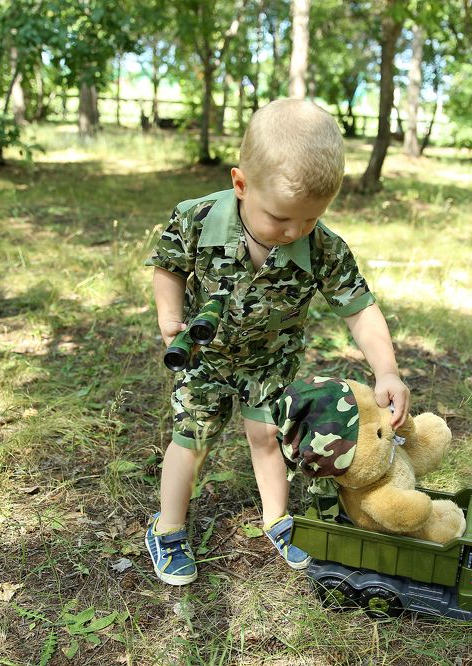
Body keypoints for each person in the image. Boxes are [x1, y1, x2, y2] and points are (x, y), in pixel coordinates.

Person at [143, 98, 410, 586]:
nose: (294, 232)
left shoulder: (323, 246)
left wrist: (387, 370)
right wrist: (169, 314)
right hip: (205, 359)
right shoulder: (197, 217)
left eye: (309, 220)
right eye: (281, 218)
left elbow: (359, 309)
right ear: (241, 184)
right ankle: (169, 527)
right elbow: (169, 266)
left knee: (268, 436)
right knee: (193, 438)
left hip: (270, 362)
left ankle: (277, 519)